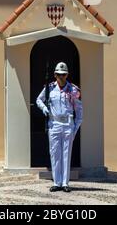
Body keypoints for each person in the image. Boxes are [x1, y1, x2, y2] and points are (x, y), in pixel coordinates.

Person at [36, 62, 83, 193]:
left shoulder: (73, 90)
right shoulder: (49, 88)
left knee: (67, 154)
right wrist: (44, 108)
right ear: (55, 75)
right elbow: (39, 100)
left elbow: (79, 110)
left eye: (63, 74)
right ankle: (56, 182)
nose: (61, 77)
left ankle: (65, 183)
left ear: (67, 74)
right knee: (55, 153)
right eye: (58, 74)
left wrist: (76, 127)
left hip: (68, 125)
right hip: (54, 124)